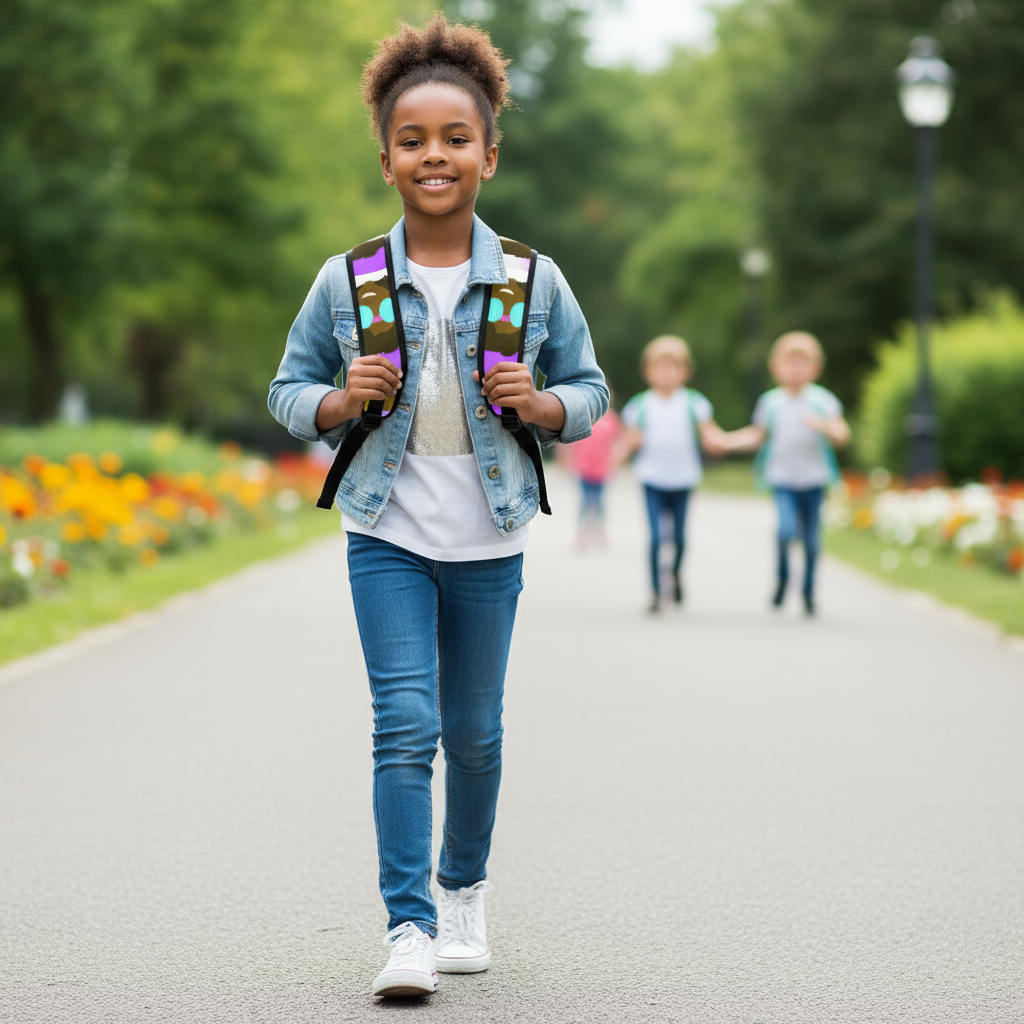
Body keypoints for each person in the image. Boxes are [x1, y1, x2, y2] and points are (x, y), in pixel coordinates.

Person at [268, 14, 607, 998]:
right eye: (412, 140)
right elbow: (288, 390)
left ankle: (463, 889)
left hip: (489, 538)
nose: (434, 155)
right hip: (385, 533)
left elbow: (589, 387)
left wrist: (546, 404)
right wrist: (336, 400)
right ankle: (409, 926)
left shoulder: (535, 281)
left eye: (455, 139)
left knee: (477, 732)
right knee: (404, 725)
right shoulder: (350, 280)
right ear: (385, 160)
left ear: (488, 155)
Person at [719, 331, 850, 615]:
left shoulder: (822, 401)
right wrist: (726, 441)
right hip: (783, 479)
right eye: (790, 363)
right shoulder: (771, 402)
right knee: (785, 531)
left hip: (814, 480)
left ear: (815, 368)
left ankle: (808, 590)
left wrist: (826, 427)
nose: (796, 369)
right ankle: (782, 579)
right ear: (776, 368)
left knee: (813, 542)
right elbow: (756, 435)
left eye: (803, 363)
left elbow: (842, 434)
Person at [616, 336, 726, 613]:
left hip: (684, 479)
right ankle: (654, 591)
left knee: (679, 539)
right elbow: (628, 440)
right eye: (660, 367)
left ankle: (675, 573)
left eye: (673, 367)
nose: (666, 373)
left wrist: (718, 442)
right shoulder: (639, 406)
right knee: (654, 538)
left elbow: (710, 432)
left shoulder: (694, 403)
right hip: (651, 478)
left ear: (685, 372)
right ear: (648, 372)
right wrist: (617, 456)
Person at [561, 403, 622, 548]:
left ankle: (600, 531)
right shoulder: (580, 417)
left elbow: (617, 441)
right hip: (583, 467)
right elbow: (569, 442)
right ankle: (581, 533)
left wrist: (615, 461)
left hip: (602, 468)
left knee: (600, 503)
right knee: (583, 502)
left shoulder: (611, 419)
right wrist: (566, 460)